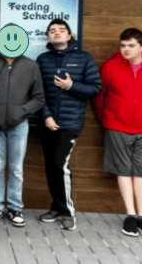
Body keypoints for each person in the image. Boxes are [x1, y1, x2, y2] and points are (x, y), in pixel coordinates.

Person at [94, 28, 142, 239]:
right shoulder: (110, 66)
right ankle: (130, 215)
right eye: (123, 45)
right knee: (123, 170)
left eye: (131, 45)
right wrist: (108, 118)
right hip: (117, 126)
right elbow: (100, 95)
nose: (126, 49)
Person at [36, 19, 102, 230]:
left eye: (61, 30)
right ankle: (56, 207)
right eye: (52, 31)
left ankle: (67, 212)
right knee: (51, 166)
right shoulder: (42, 60)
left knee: (59, 165)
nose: (56, 33)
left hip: (71, 122)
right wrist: (46, 116)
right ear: (48, 36)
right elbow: (39, 93)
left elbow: (95, 88)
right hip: (48, 123)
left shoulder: (84, 58)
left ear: (69, 35)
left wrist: (71, 85)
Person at [0, 43, 45, 227]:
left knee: (16, 168)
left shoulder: (31, 66)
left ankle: (15, 207)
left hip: (19, 125)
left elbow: (39, 98)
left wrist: (22, 111)